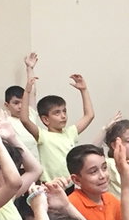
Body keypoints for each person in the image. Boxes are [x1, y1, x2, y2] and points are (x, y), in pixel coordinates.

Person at [18, 54, 96, 182]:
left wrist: (84, 90)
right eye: (57, 113)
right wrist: (27, 92)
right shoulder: (42, 135)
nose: (63, 116)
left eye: (64, 111)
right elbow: (25, 120)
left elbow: (89, 115)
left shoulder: (70, 132)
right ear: (46, 119)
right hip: (50, 186)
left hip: (70, 184)